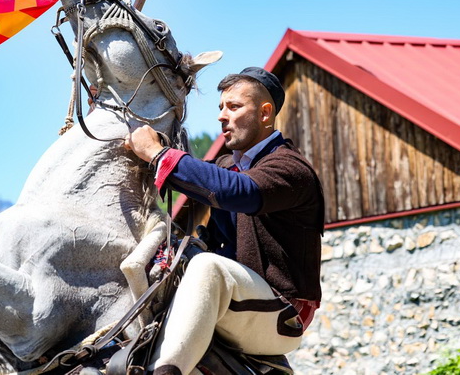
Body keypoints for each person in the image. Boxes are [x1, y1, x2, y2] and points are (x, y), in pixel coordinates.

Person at [124, 67, 324, 375]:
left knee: (207, 266)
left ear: (265, 113)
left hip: (282, 312)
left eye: (233, 106)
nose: (221, 116)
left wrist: (157, 153)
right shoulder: (226, 165)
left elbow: (234, 191)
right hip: (237, 297)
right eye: (220, 108)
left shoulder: (291, 168)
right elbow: (208, 180)